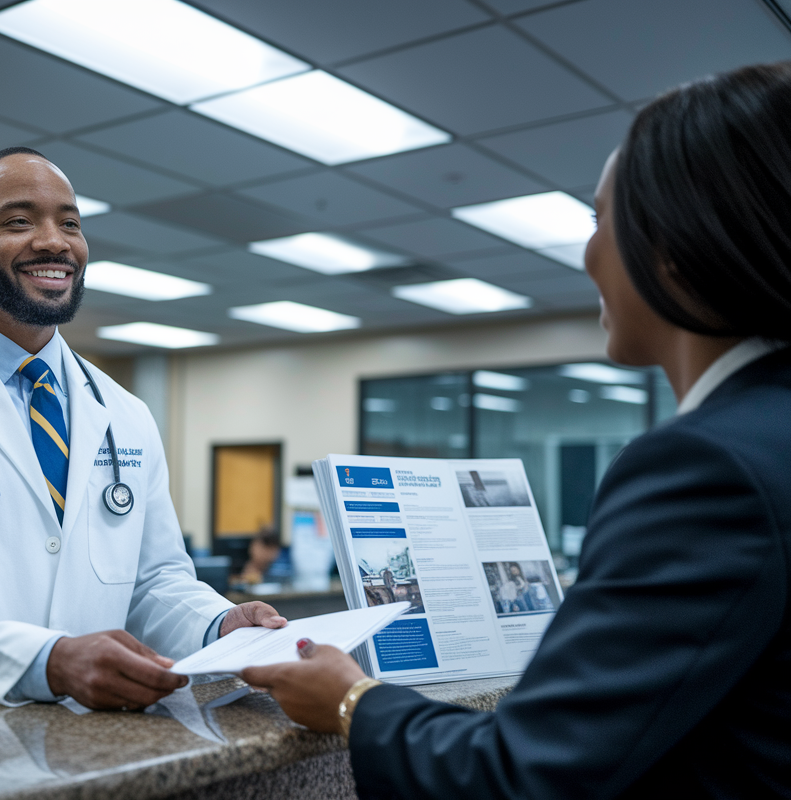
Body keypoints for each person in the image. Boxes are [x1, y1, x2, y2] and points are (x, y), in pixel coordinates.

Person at [243, 61, 791, 799]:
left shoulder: (706, 466)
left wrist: (351, 699)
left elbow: (523, 776)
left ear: (674, 242)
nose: (587, 253)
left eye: (599, 220)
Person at [0, 147, 284, 718]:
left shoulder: (123, 413)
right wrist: (49, 661)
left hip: (98, 748)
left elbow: (154, 583)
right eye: (19, 221)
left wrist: (218, 623)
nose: (54, 241)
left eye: (70, 223)